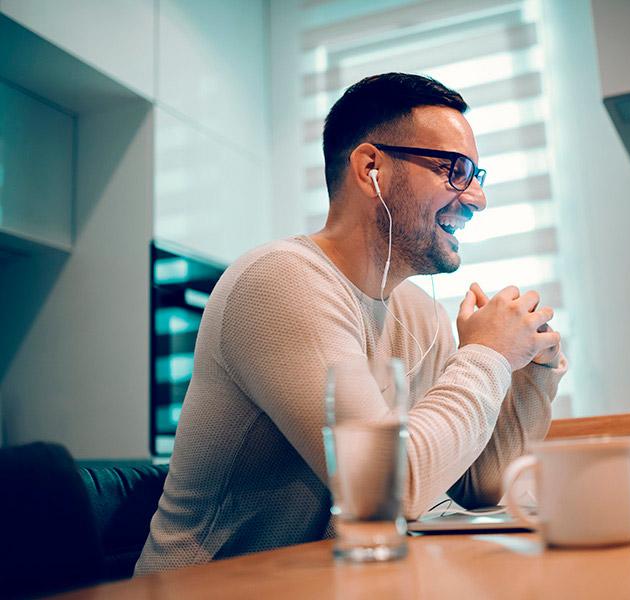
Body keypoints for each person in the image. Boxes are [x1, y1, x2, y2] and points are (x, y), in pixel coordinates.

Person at [135, 72, 567, 575]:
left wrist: (532, 371)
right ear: (370, 169)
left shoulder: (420, 313)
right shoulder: (280, 281)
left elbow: (476, 486)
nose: (476, 198)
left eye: (477, 176)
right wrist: (487, 355)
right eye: (455, 170)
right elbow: (386, 487)